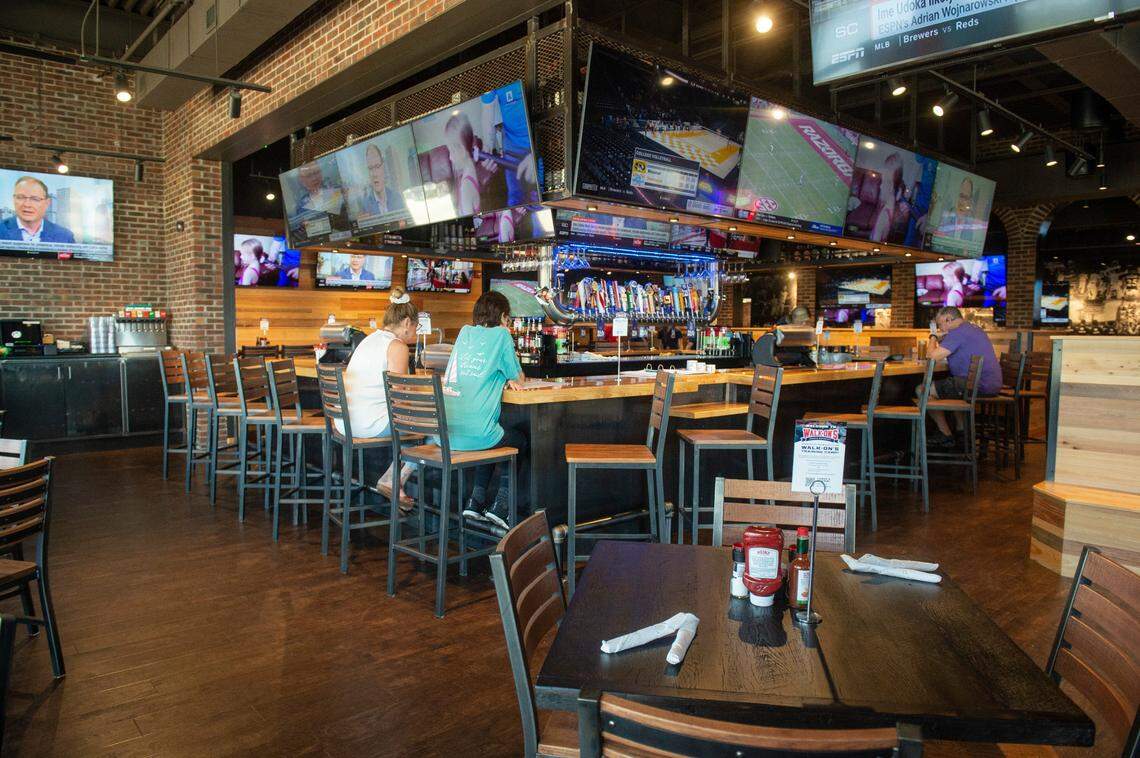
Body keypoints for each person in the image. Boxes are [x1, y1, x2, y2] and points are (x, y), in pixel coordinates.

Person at [444, 291, 529, 531]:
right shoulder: (502, 335)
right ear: (503, 317)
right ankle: (501, 507)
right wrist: (506, 377)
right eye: (508, 319)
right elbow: (519, 378)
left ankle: (475, 500)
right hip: (477, 436)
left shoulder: (464, 332)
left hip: (448, 434)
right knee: (518, 440)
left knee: (491, 433)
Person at [336, 287, 419, 504]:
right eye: (416, 326)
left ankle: (391, 478)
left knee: (417, 426)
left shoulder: (369, 340)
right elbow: (399, 399)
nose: (417, 331)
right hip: (368, 424)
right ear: (407, 322)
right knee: (435, 428)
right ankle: (394, 479)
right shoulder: (397, 346)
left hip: (345, 422)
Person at [924, 306, 1002, 447]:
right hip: (990, 384)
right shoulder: (974, 329)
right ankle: (961, 433)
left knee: (923, 390)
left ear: (948, 319)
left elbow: (931, 356)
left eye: (940, 324)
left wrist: (933, 336)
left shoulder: (957, 333)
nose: (941, 328)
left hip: (979, 385)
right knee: (952, 390)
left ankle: (946, 434)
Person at [0, 176, 76, 244]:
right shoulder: (2, 229)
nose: (27, 204)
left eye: (35, 199)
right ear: (13, 199)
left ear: (47, 203)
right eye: (21, 197)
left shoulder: (65, 236)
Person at [444, 113, 481, 217]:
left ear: (462, 149)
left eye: (452, 151)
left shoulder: (466, 187)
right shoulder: (471, 165)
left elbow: (468, 226)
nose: (450, 157)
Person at [358, 144, 405, 219]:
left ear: (383, 167)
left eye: (377, 166)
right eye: (370, 168)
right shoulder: (365, 206)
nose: (374, 174)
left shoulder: (397, 198)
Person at [869, 153, 903, 243]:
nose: (880, 186)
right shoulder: (887, 210)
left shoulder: (884, 217)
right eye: (882, 181)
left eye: (886, 182)